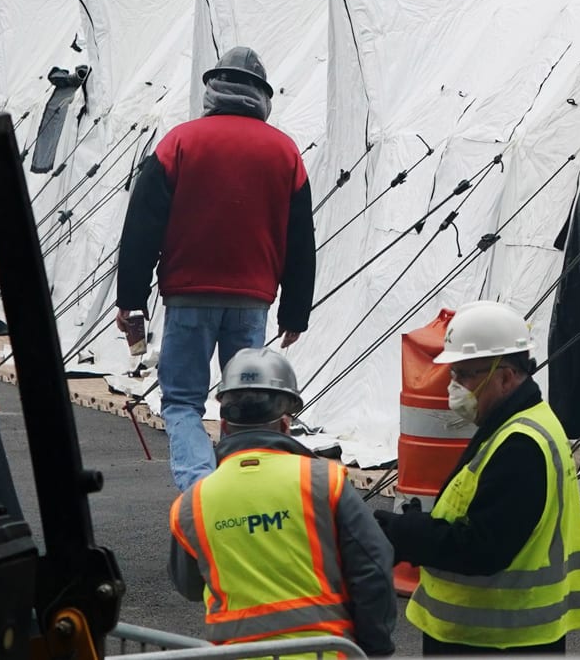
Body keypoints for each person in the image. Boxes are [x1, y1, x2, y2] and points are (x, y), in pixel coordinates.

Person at [117, 46, 318, 492]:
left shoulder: (179, 142)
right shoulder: (285, 151)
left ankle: (199, 491)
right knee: (247, 401)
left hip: (188, 296)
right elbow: (300, 238)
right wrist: (295, 313)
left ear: (213, 90)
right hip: (252, 300)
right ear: (262, 96)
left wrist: (131, 299)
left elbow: (142, 226)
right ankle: (246, 493)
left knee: (183, 402)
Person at [376, 302, 580, 652]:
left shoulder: (521, 445)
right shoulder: (522, 423)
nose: (454, 386)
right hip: (504, 634)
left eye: (464, 374)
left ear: (505, 377)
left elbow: (481, 548)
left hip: (493, 638)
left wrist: (406, 533)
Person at [169, 348, 397, 656]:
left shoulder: (192, 503)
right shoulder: (323, 481)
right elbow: (373, 566)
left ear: (223, 427)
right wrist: (374, 647)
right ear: (285, 424)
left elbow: (189, 586)